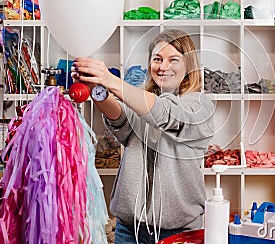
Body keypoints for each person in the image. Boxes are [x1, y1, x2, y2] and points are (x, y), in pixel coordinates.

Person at [72, 29, 215, 244]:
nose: (163, 67)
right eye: (157, 59)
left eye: (173, 60)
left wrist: (110, 80)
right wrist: (97, 88)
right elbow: (121, 121)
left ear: (189, 66)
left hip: (178, 232)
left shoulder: (200, 105)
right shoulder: (142, 101)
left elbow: (164, 113)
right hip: (129, 230)